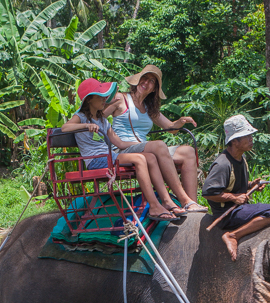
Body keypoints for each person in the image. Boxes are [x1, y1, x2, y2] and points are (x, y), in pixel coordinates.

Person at [61, 78, 184, 222]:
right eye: (100, 97)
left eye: (105, 97)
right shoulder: (81, 117)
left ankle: (166, 200)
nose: (104, 100)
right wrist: (84, 126)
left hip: (109, 156)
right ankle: (154, 206)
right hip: (96, 160)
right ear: (89, 100)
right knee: (139, 159)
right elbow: (65, 128)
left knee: (149, 156)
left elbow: (119, 143)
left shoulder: (103, 121)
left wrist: (144, 144)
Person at [103, 64, 207, 215]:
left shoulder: (149, 107)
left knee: (188, 152)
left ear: (154, 89)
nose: (146, 82)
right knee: (158, 145)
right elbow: (99, 117)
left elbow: (171, 128)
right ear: (137, 80)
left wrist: (181, 121)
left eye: (151, 81)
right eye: (144, 78)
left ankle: (192, 203)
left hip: (144, 148)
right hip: (123, 148)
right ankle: (184, 200)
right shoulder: (121, 98)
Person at [202, 115, 270, 260]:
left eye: (251, 135)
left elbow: (232, 186)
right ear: (234, 141)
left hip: (239, 208)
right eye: (246, 136)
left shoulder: (241, 159)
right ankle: (233, 235)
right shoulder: (223, 164)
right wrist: (233, 198)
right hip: (226, 213)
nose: (251, 139)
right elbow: (208, 192)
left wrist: (252, 185)